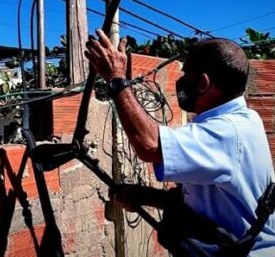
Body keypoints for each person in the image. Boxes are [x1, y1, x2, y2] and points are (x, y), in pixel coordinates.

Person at [85, 30, 275, 256]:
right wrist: (145, 196)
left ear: (203, 83)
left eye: (186, 76)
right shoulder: (246, 120)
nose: (180, 82)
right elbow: (208, 201)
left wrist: (116, 80)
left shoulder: (227, 133)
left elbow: (150, 145)